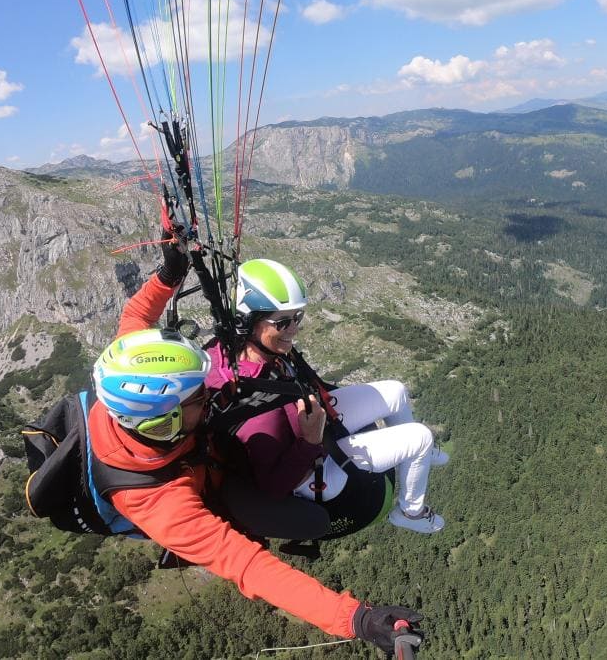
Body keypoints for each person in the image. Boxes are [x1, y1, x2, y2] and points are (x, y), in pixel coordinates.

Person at [89, 231, 422, 650]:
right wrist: (357, 619)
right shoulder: (160, 504)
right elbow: (250, 567)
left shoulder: (134, 371)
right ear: (166, 422)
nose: (209, 393)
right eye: (197, 397)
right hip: (233, 487)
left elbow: (135, 319)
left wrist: (169, 274)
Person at [206, 257, 447, 534]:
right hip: (314, 470)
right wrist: (310, 441)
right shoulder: (254, 405)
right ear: (248, 321)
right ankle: (410, 511)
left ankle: (421, 458)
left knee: (396, 392)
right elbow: (274, 487)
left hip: (311, 422)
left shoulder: (241, 347)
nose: (294, 329)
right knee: (419, 438)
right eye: (283, 322)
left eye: (298, 317)